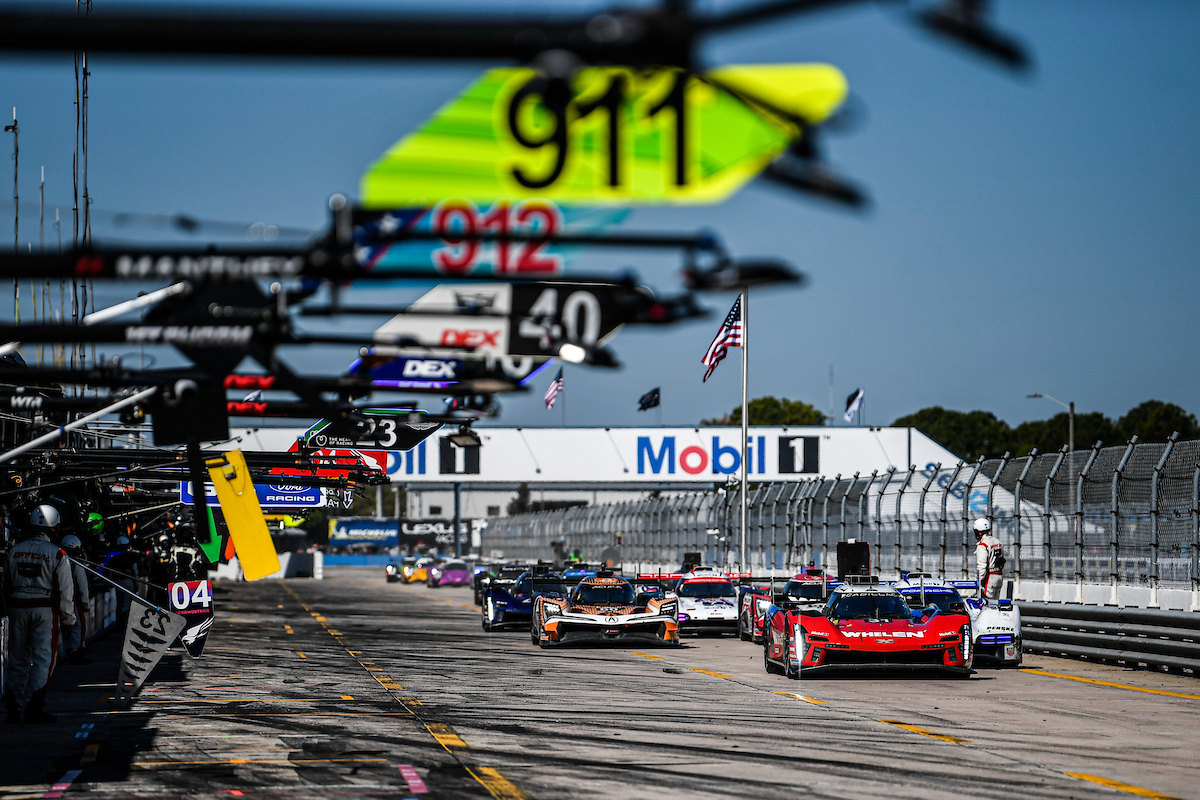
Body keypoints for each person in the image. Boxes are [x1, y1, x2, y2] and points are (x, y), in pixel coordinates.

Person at [2, 505, 76, 724]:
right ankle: (34, 707)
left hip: (17, 607)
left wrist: (8, 609)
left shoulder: (15, 550)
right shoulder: (57, 553)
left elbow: (5, 584)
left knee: (17, 658)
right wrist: (68, 619)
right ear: (55, 528)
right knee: (44, 659)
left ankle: (14, 708)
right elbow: (65, 591)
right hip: (44, 609)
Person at [59, 534, 92, 665]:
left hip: (56, 600)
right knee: (79, 626)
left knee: (61, 627)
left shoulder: (56, 559)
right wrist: (85, 604)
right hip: (73, 601)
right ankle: (76, 651)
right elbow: (82, 585)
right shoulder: (77, 565)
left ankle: (63, 652)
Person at [973, 518, 1004, 603]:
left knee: (987, 604)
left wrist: (978, 582)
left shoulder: (983, 544)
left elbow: (982, 567)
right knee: (996, 603)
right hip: (999, 576)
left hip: (989, 578)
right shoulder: (998, 542)